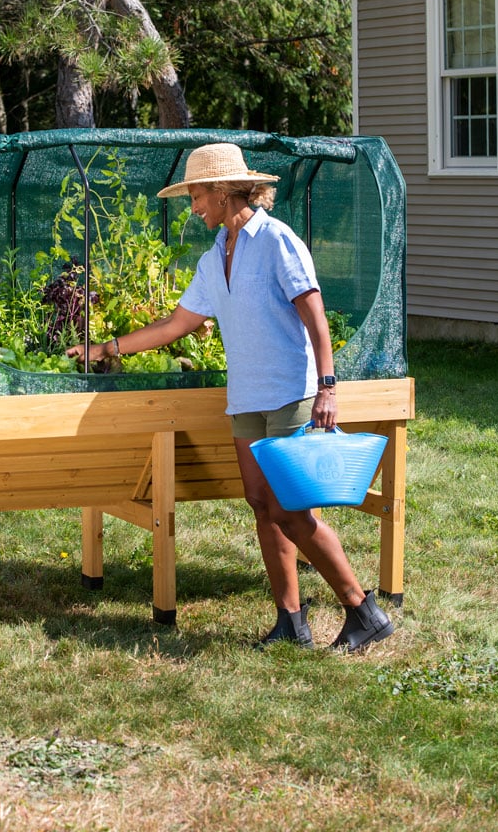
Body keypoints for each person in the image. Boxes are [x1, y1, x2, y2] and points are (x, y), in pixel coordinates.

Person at [67, 143, 394, 652]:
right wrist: (105, 348)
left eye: (197, 196)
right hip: (246, 398)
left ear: (222, 192)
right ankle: (291, 619)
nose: (193, 207)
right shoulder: (214, 254)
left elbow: (315, 316)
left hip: (291, 392)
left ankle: (362, 610)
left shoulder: (276, 240)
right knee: (262, 505)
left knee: (292, 511)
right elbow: (179, 324)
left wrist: (329, 388)